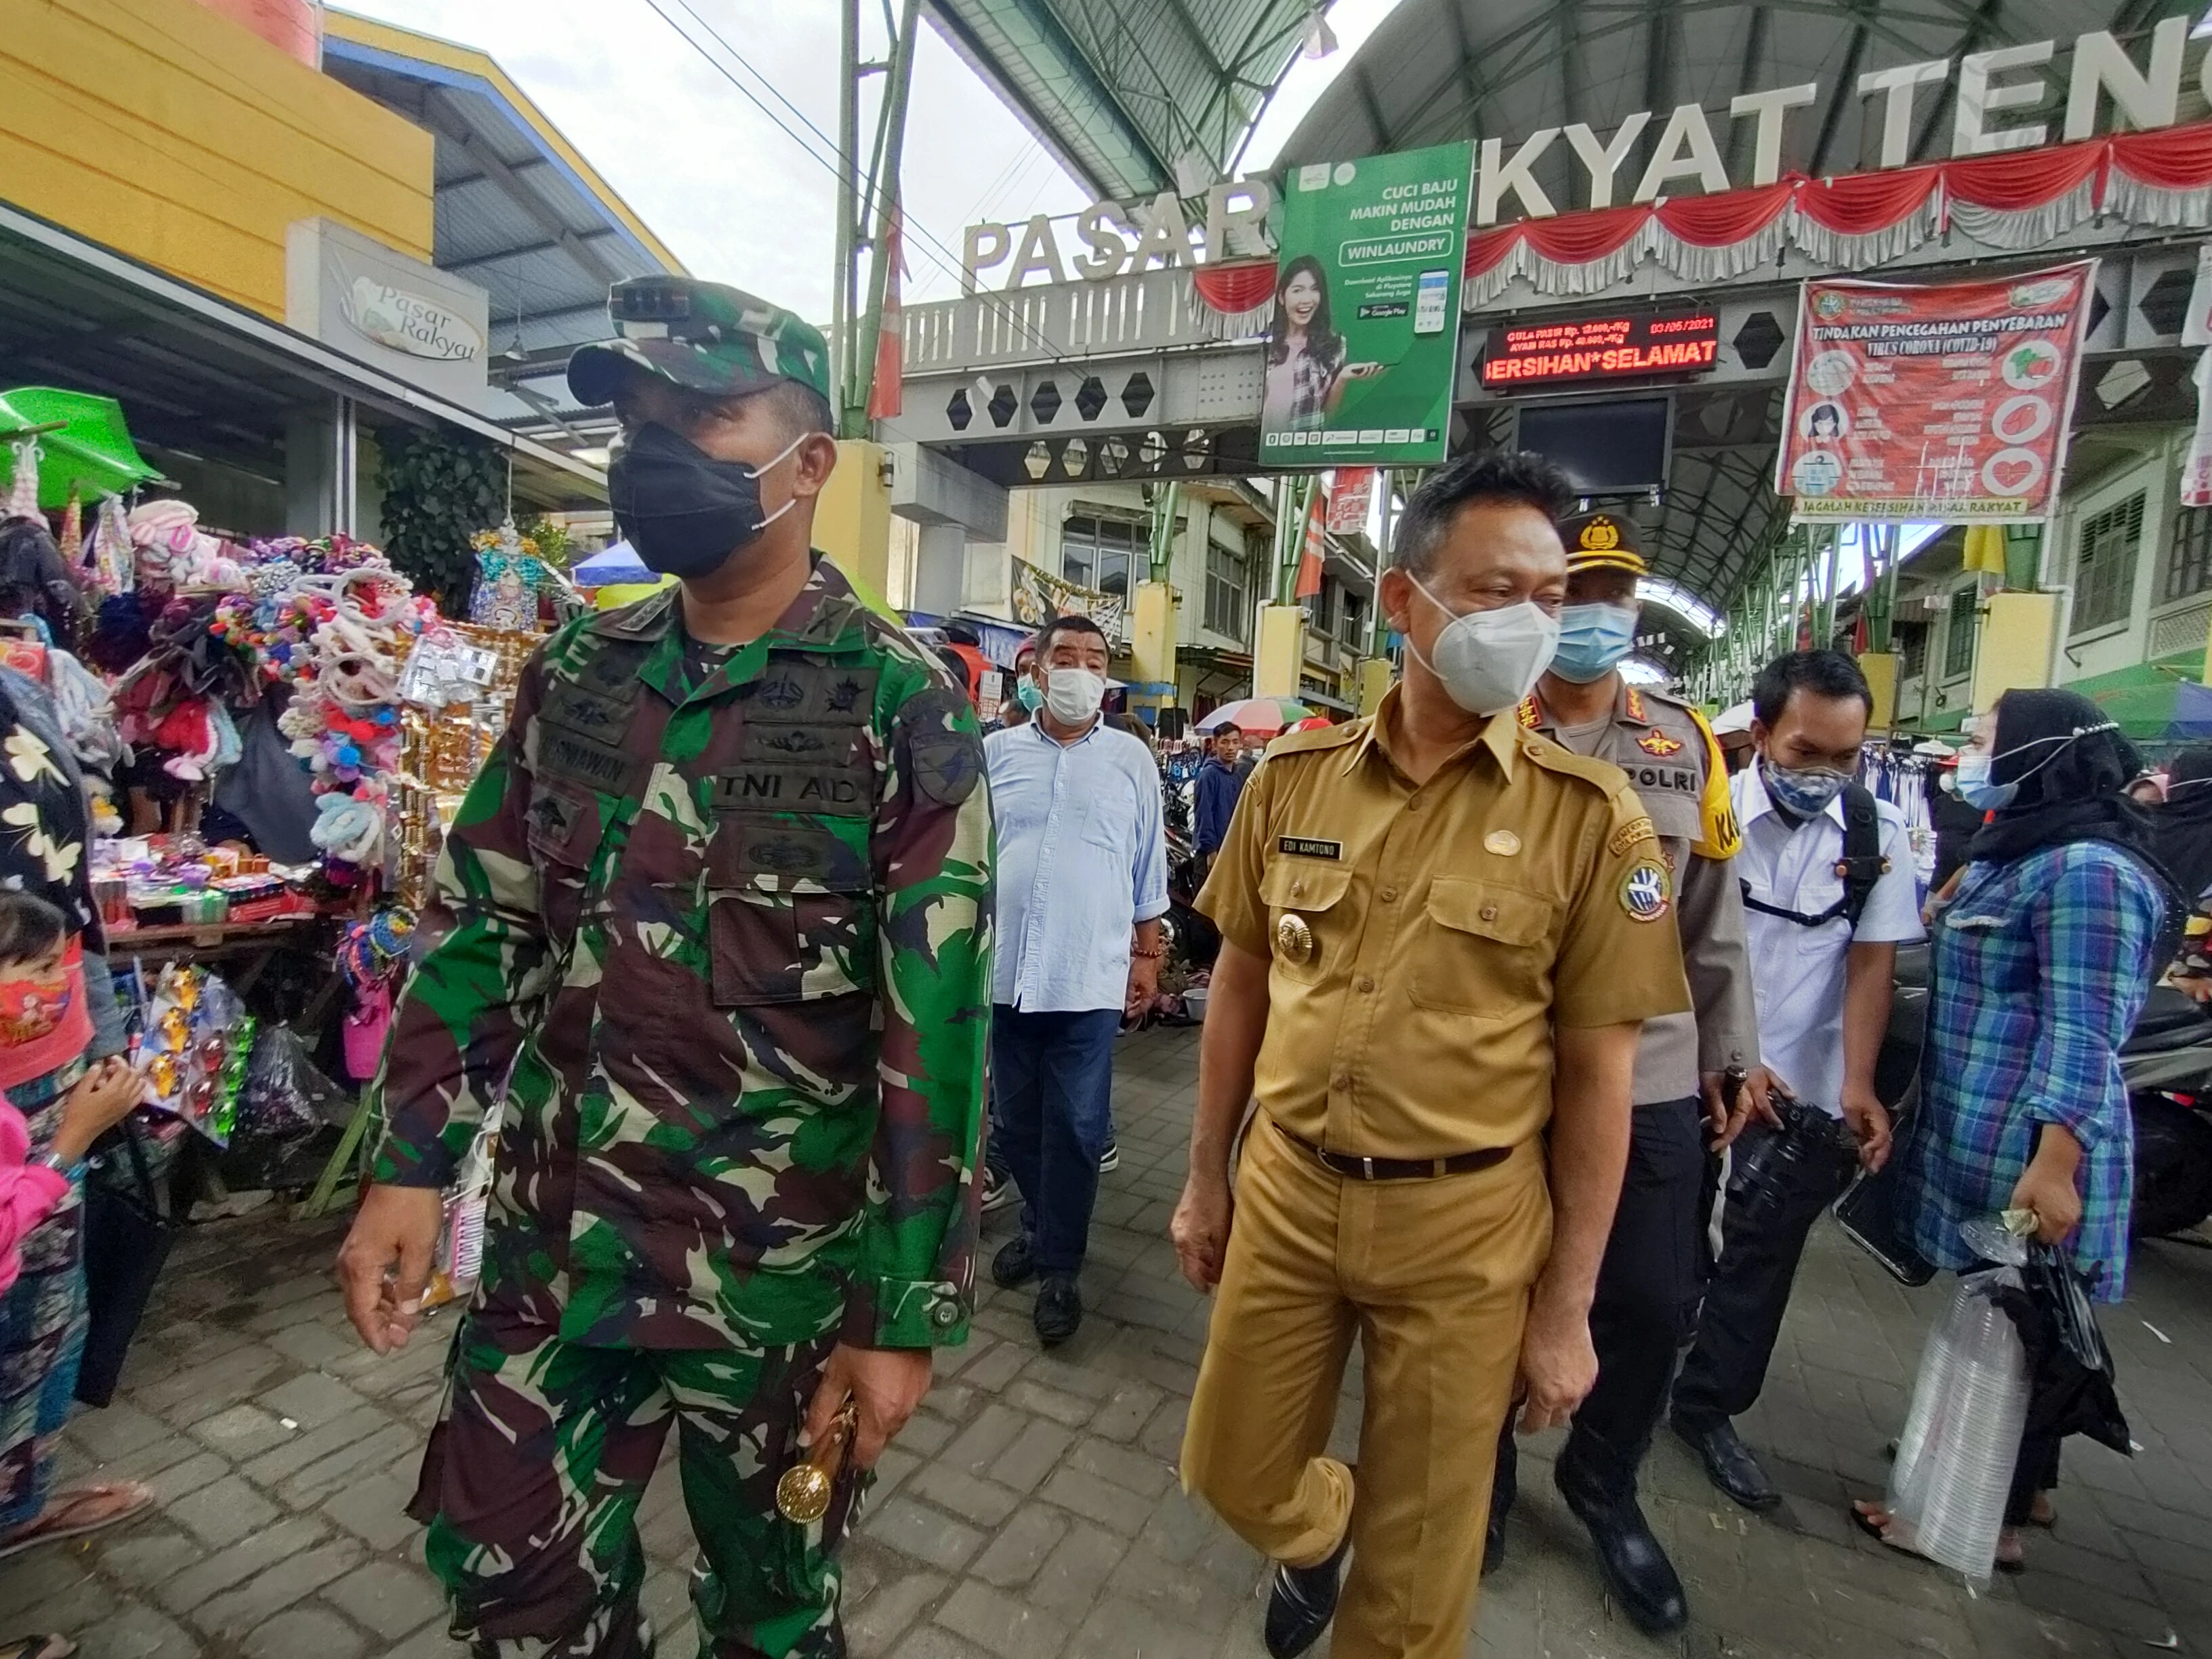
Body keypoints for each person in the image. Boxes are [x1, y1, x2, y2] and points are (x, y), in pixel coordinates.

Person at [336, 278, 993, 1658]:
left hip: (772, 1285)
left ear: (809, 461)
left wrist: (902, 1309)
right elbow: (488, 925)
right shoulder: (578, 670)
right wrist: (408, 1162)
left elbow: (931, 1032)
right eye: (640, 422)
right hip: (549, 1249)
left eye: (704, 418)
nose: (657, 454)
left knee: (769, 1613)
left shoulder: (894, 701)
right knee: (515, 1593)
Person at [1171, 451, 1692, 1659]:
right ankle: (1329, 1519)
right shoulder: (1288, 778)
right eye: (1494, 588)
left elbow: (1599, 1079)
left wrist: (1564, 1307)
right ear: (1403, 603)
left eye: (1548, 598)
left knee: (1408, 1611)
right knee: (1234, 1472)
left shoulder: (1587, 817)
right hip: (1288, 1194)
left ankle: (1389, 1556)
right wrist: (1204, 1177)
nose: (1529, 622)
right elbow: (1238, 987)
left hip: (1465, 1226)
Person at [1490, 509, 1758, 1634]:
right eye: (1568, 593)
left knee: (1647, 1302)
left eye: (1609, 596)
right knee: (1483, 1291)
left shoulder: (1679, 743)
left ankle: (1601, 1480)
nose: (1590, 615)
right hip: (1497, 1068)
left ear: (1632, 612)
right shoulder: (1476, 723)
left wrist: (1730, 1049)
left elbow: (1709, 915)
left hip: (1645, 1072)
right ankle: (1480, 1480)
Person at [1856, 689, 2168, 1570]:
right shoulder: (2019, 854)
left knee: (2009, 1329)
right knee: (2012, 1320)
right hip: (1981, 1141)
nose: (1969, 750)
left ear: (2046, 754)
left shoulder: (2090, 874)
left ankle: (1967, 1521)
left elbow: (2086, 1030)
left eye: (1988, 738)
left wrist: (2056, 1165)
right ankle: (2024, 1488)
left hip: (2032, 1155)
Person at [1668, 652, 1923, 1509]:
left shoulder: (1875, 835)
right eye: (1807, 751)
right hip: (1690, 1067)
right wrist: (1733, 1048)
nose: (1825, 774)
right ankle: (1625, 1371)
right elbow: (1663, 944)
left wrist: (1857, 1082)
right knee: (1660, 1237)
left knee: (1762, 1257)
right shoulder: (1702, 815)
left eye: (1845, 758)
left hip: (1799, 1095)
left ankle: (1706, 1407)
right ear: (1764, 733)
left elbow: (1869, 964)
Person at [984, 615, 1167, 1346]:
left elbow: (1148, 865)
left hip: (1088, 980)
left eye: (1095, 659)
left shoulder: (1130, 761)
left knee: (1080, 1127)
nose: (1081, 670)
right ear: (1035, 669)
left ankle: (1060, 1264)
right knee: (1015, 1125)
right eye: (1067, 656)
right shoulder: (994, 753)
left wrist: (1148, 960)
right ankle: (1038, 1225)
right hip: (1003, 978)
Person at [0, 886, 148, 1569]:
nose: (52, 986)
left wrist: (100, 1046)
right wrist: (69, 1145)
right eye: (38, 973)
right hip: (42, 1147)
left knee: (52, 1325)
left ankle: (19, 1504)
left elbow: (75, 916)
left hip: (52, 1102)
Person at [1261, 256, 1380, 431]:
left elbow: (1328, 415)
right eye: (1298, 290)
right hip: (1264, 448)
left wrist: (1342, 379)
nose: (1307, 299)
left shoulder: (1334, 346)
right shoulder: (1269, 347)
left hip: (1303, 451)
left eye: (1314, 290)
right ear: (1281, 297)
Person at [1194, 727, 1246, 881]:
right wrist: (1211, 852)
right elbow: (1204, 816)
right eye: (1225, 742)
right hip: (1210, 855)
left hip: (1230, 853)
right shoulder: (1208, 775)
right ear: (1215, 745)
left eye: (1235, 742)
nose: (1230, 747)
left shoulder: (1237, 775)